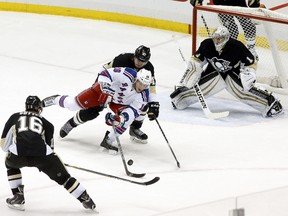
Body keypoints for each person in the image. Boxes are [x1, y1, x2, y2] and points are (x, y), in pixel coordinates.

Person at [0, 96, 96, 211]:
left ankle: (18, 196)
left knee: (10, 165)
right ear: (39, 108)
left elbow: (4, 145)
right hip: (43, 157)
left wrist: (17, 148)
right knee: (65, 178)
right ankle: (85, 198)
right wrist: (53, 163)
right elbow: (50, 148)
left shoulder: (14, 117)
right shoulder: (47, 124)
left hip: (17, 156)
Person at [170, 26, 283, 117]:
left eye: (219, 38)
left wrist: (250, 72)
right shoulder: (207, 44)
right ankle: (179, 98)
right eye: (215, 38)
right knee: (200, 90)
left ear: (226, 38)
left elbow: (251, 61)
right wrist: (195, 68)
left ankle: (272, 104)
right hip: (213, 72)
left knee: (243, 92)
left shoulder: (236, 47)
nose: (216, 41)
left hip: (232, 73)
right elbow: (197, 58)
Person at [58, 45, 160, 144]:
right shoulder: (122, 60)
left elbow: (150, 86)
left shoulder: (148, 69)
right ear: (134, 56)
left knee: (141, 108)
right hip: (109, 88)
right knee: (92, 111)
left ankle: (134, 129)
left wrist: (154, 103)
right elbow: (105, 70)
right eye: (138, 60)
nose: (140, 63)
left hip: (125, 96)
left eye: (143, 61)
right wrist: (104, 89)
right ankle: (72, 123)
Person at [42, 67, 152, 154]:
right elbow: (105, 73)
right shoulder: (126, 74)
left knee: (124, 122)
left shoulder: (144, 96)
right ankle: (55, 99)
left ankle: (108, 140)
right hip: (103, 91)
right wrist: (105, 89)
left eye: (145, 85)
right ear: (136, 79)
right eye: (141, 83)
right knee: (73, 105)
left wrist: (120, 118)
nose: (142, 87)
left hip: (119, 103)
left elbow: (133, 112)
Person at [190, 0, 265, 61]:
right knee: (231, 31)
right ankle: (231, 50)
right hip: (221, 3)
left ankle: (251, 49)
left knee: (248, 25)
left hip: (238, 2)